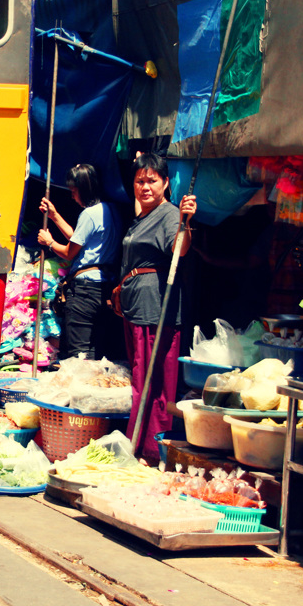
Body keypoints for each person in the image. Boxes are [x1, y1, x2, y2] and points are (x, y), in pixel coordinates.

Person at [119, 153, 197, 463]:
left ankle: (146, 449)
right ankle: (139, 445)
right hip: (137, 305)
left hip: (155, 308)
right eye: (140, 181)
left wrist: (185, 221)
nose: (145, 187)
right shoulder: (142, 216)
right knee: (141, 377)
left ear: (166, 183)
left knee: (152, 380)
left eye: (152, 180)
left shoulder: (169, 214)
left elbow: (179, 248)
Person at [37, 164, 123, 361]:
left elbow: (69, 252)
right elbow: (79, 239)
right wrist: (55, 216)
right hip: (104, 289)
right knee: (93, 349)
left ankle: (80, 391)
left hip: (84, 291)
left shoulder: (90, 214)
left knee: (79, 353)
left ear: (84, 189)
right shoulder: (110, 210)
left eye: (74, 191)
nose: (72, 196)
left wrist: (49, 243)